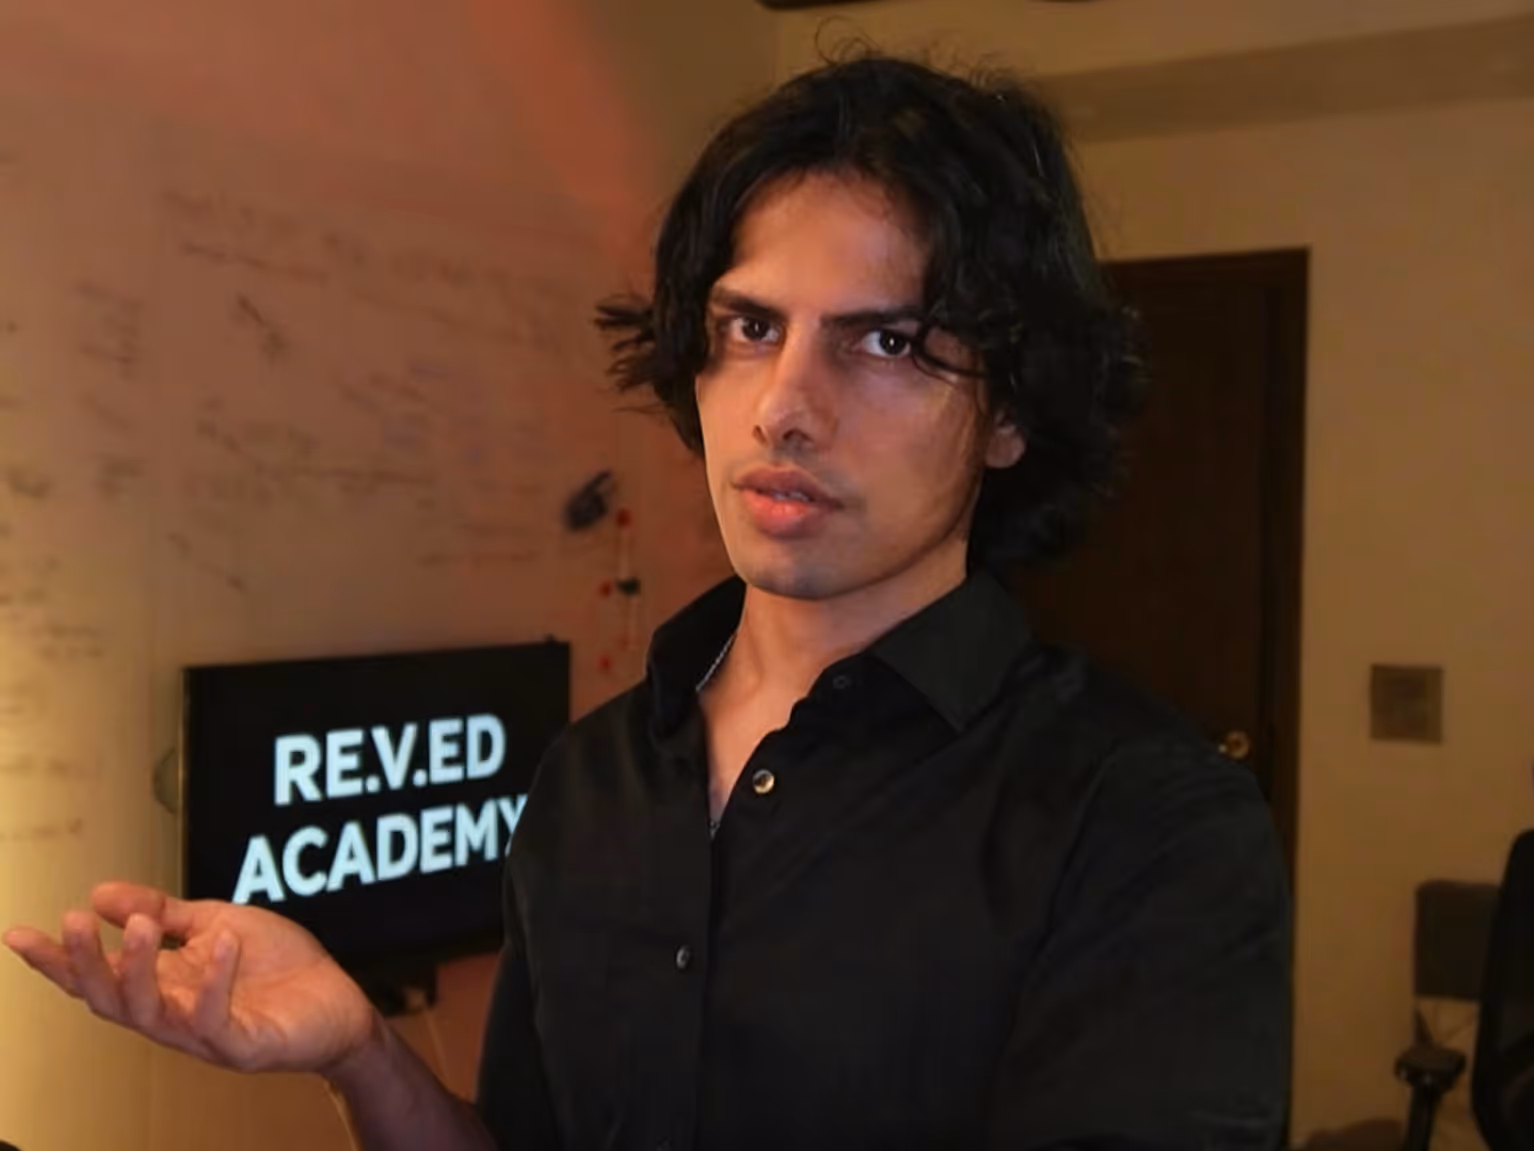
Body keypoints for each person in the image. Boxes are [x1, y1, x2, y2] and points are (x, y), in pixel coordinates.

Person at [3, 52, 1291, 1150]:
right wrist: (358, 1050)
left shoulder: (1146, 824)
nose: (786, 404)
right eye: (749, 329)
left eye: (886, 340)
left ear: (1009, 410)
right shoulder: (594, 778)